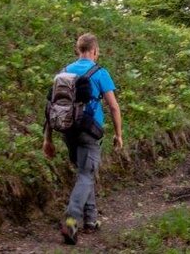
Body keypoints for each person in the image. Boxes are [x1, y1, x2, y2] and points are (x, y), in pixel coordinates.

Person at [42, 33, 124, 245]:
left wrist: (47, 139)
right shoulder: (100, 72)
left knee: (84, 172)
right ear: (95, 51)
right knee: (86, 174)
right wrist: (118, 134)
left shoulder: (63, 72)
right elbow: (114, 107)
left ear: (78, 50)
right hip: (89, 131)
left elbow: (50, 107)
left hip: (67, 130)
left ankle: (91, 220)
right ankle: (71, 220)